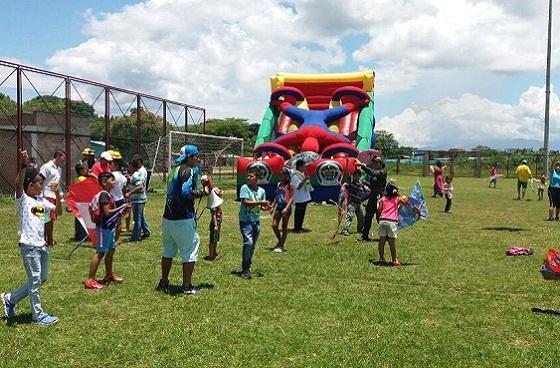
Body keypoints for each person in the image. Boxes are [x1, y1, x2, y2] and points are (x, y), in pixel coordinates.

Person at [1, 150, 62, 325]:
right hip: (29, 246)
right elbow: (18, 185)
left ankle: (10, 299)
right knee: (35, 280)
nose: (41, 185)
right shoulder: (24, 200)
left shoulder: (41, 202)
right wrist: (23, 166)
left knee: (41, 279)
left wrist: (57, 194)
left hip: (41, 245)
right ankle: (38, 315)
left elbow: (58, 212)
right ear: (30, 185)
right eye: (38, 183)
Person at [157, 145, 207, 294]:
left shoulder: (174, 171)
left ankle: (164, 281)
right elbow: (186, 193)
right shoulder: (188, 171)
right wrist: (202, 193)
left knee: (168, 251)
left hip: (168, 218)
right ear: (189, 157)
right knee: (190, 250)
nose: (197, 158)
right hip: (183, 219)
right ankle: (187, 286)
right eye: (196, 156)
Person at [84, 172, 129, 289]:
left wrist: (121, 211)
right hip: (103, 228)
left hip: (109, 228)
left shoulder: (108, 195)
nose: (114, 181)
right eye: (112, 179)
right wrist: (122, 207)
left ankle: (109, 275)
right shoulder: (104, 195)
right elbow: (107, 212)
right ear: (104, 182)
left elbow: (111, 213)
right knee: (100, 253)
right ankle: (90, 279)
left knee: (111, 250)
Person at [239, 170, 270, 279]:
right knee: (248, 242)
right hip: (245, 220)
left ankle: (248, 265)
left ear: (257, 178)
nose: (248, 178)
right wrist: (261, 203)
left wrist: (266, 207)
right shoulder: (244, 188)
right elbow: (245, 202)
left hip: (256, 221)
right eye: (247, 176)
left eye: (251, 176)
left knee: (252, 245)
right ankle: (245, 268)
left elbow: (261, 206)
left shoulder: (262, 191)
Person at [377, 183, 410, 267]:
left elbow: (379, 210)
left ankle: (381, 258)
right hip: (392, 221)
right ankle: (394, 260)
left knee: (382, 241)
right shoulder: (397, 199)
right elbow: (406, 202)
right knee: (392, 243)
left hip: (382, 220)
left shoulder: (382, 199)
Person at [39, 149, 66, 246]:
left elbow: (57, 183)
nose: (64, 160)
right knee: (46, 220)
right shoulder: (47, 167)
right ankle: (44, 239)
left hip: (54, 197)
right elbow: (39, 180)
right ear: (58, 156)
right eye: (63, 158)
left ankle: (49, 239)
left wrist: (60, 193)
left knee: (52, 220)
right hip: (47, 196)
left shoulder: (59, 169)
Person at [360, 158, 387, 241]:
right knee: (368, 216)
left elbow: (373, 172)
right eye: (373, 162)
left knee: (380, 217)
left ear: (381, 163)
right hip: (373, 196)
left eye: (376, 162)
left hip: (379, 197)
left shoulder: (383, 171)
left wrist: (363, 166)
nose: (374, 163)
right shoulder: (376, 172)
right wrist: (365, 182)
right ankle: (365, 236)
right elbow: (373, 185)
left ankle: (386, 236)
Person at [126, 156, 150, 242]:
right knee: (140, 217)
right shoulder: (138, 171)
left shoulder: (141, 172)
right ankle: (146, 232)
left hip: (139, 199)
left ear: (139, 162)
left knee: (137, 219)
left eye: (134, 163)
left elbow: (140, 186)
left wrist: (130, 193)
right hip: (137, 199)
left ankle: (135, 237)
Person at [270, 168, 293, 253]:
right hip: (279, 207)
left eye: (282, 174)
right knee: (274, 225)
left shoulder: (290, 185)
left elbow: (292, 198)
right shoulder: (279, 184)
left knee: (284, 226)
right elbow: (277, 196)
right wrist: (273, 206)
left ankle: (281, 245)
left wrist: (286, 208)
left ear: (287, 176)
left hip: (286, 207)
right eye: (280, 174)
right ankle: (280, 240)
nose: (280, 176)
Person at [341, 169, 366, 236]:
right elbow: (347, 174)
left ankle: (360, 229)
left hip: (359, 203)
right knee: (349, 216)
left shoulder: (361, 184)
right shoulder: (351, 183)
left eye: (358, 176)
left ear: (360, 176)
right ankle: (345, 229)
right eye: (355, 176)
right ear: (353, 176)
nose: (357, 177)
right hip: (352, 203)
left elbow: (366, 190)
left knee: (361, 216)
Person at [109, 151, 127, 243]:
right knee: (119, 221)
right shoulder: (123, 177)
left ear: (115, 165)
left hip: (113, 200)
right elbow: (124, 190)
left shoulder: (112, 176)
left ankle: (110, 239)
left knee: (111, 221)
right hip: (121, 199)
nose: (109, 165)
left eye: (111, 164)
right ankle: (116, 240)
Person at [291, 159, 312, 232]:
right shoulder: (295, 175)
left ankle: (300, 226)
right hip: (299, 197)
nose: (305, 168)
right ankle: (297, 227)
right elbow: (298, 186)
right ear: (299, 167)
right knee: (298, 213)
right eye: (304, 166)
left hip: (304, 197)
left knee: (302, 213)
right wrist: (304, 180)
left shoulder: (301, 174)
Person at [208, 188, 223, 261]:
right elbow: (213, 215)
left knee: (216, 240)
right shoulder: (214, 204)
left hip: (218, 223)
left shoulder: (218, 202)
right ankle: (211, 256)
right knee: (212, 240)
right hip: (215, 224)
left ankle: (214, 253)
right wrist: (216, 225)